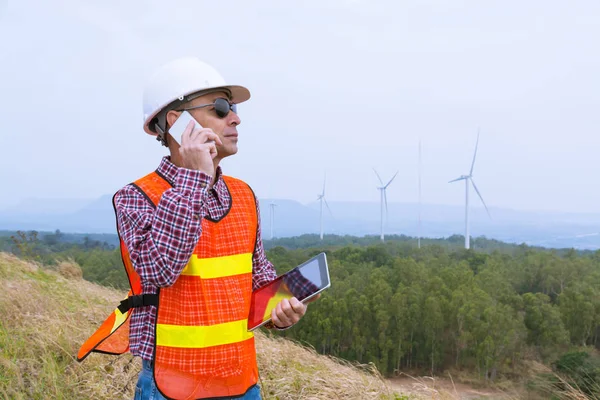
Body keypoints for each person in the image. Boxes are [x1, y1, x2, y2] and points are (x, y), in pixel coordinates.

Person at [78, 57, 315, 400]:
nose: (235, 117)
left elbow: (258, 278)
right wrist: (195, 179)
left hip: (242, 384)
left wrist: (281, 310)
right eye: (220, 108)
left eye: (232, 107)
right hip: (171, 386)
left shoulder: (244, 195)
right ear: (177, 123)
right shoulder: (136, 197)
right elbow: (159, 271)